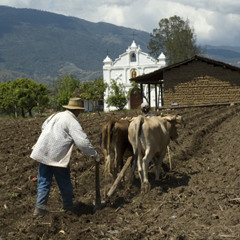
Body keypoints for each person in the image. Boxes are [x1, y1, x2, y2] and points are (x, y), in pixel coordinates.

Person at [30, 98, 100, 216]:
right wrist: (94, 155)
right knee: (64, 181)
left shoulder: (55, 115)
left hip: (43, 151)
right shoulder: (71, 120)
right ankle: (68, 205)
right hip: (57, 155)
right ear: (77, 110)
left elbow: (43, 127)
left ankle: (39, 207)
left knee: (43, 180)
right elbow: (82, 142)